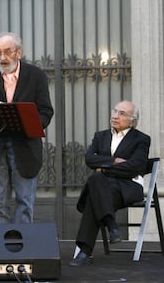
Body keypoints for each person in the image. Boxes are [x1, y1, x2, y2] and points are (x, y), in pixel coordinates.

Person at [0, 32, 54, 224]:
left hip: (25, 146)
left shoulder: (36, 75)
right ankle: (1, 250)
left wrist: (29, 122)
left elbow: (46, 111)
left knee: (24, 201)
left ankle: (22, 249)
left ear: (18, 53)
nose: (2, 58)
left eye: (7, 52)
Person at [69, 100, 150, 267]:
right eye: (115, 111)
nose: (115, 116)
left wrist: (105, 168)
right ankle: (111, 225)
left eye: (122, 114)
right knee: (96, 181)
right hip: (105, 187)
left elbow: (136, 166)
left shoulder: (141, 139)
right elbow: (90, 159)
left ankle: (84, 251)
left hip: (128, 186)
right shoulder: (101, 136)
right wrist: (114, 161)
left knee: (95, 184)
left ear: (132, 121)